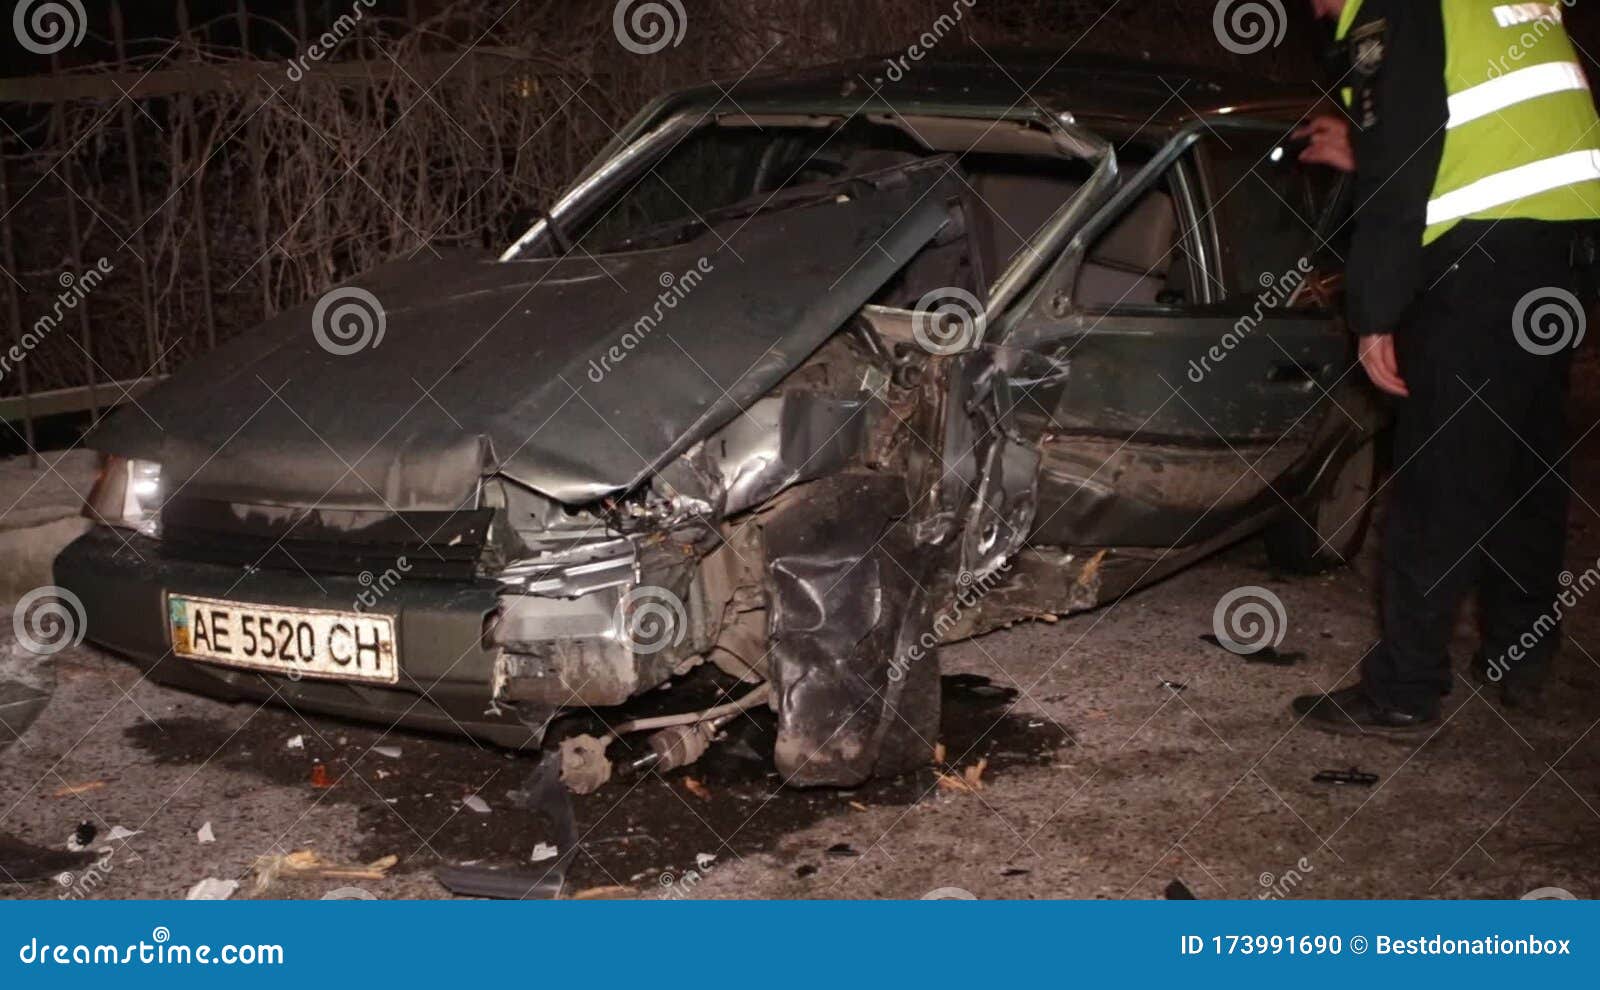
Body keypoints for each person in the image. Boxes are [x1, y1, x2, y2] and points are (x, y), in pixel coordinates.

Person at [1291, 0, 1600, 733]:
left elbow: (1404, 169)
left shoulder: (1395, 12)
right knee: (1524, 463)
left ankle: (1403, 688)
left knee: (1437, 477)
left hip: (1482, 259)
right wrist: (1368, 148)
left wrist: (1373, 313)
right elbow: (1470, 130)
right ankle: (1522, 651)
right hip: (1559, 252)